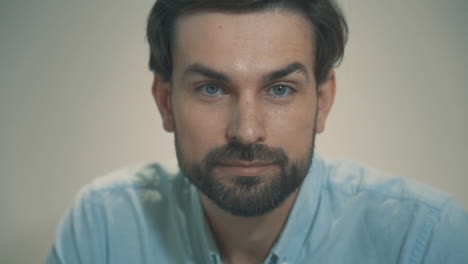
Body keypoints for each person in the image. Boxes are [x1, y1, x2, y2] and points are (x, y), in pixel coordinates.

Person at [46, 0, 468, 263]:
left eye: (279, 89)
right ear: (164, 101)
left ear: (322, 101)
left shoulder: (425, 240)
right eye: (211, 88)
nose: (247, 131)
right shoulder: (102, 226)